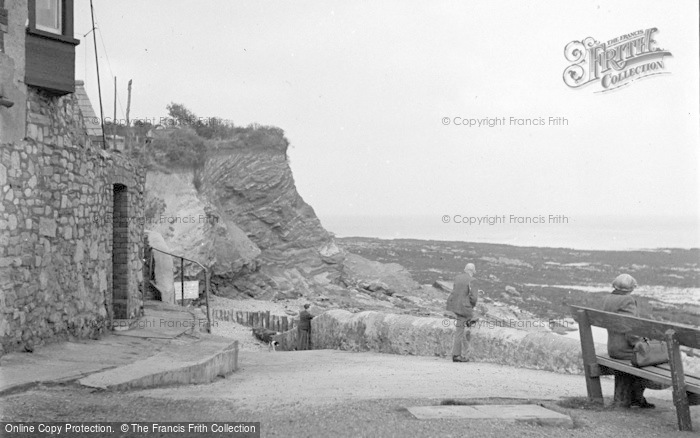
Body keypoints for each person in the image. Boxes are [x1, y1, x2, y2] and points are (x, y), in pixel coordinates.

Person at [604, 273, 699, 408]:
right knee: (656, 356)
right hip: (624, 351)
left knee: (649, 354)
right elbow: (631, 331)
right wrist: (642, 342)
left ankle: (633, 397)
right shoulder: (628, 300)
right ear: (631, 287)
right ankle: (637, 398)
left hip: (613, 348)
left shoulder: (608, 299)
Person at [446, 263, 479, 362]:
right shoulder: (473, 280)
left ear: (465, 270)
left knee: (459, 329)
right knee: (473, 318)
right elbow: (474, 298)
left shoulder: (457, 278)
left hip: (455, 306)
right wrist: (471, 307)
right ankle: (456, 355)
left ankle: (468, 320)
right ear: (472, 271)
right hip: (464, 308)